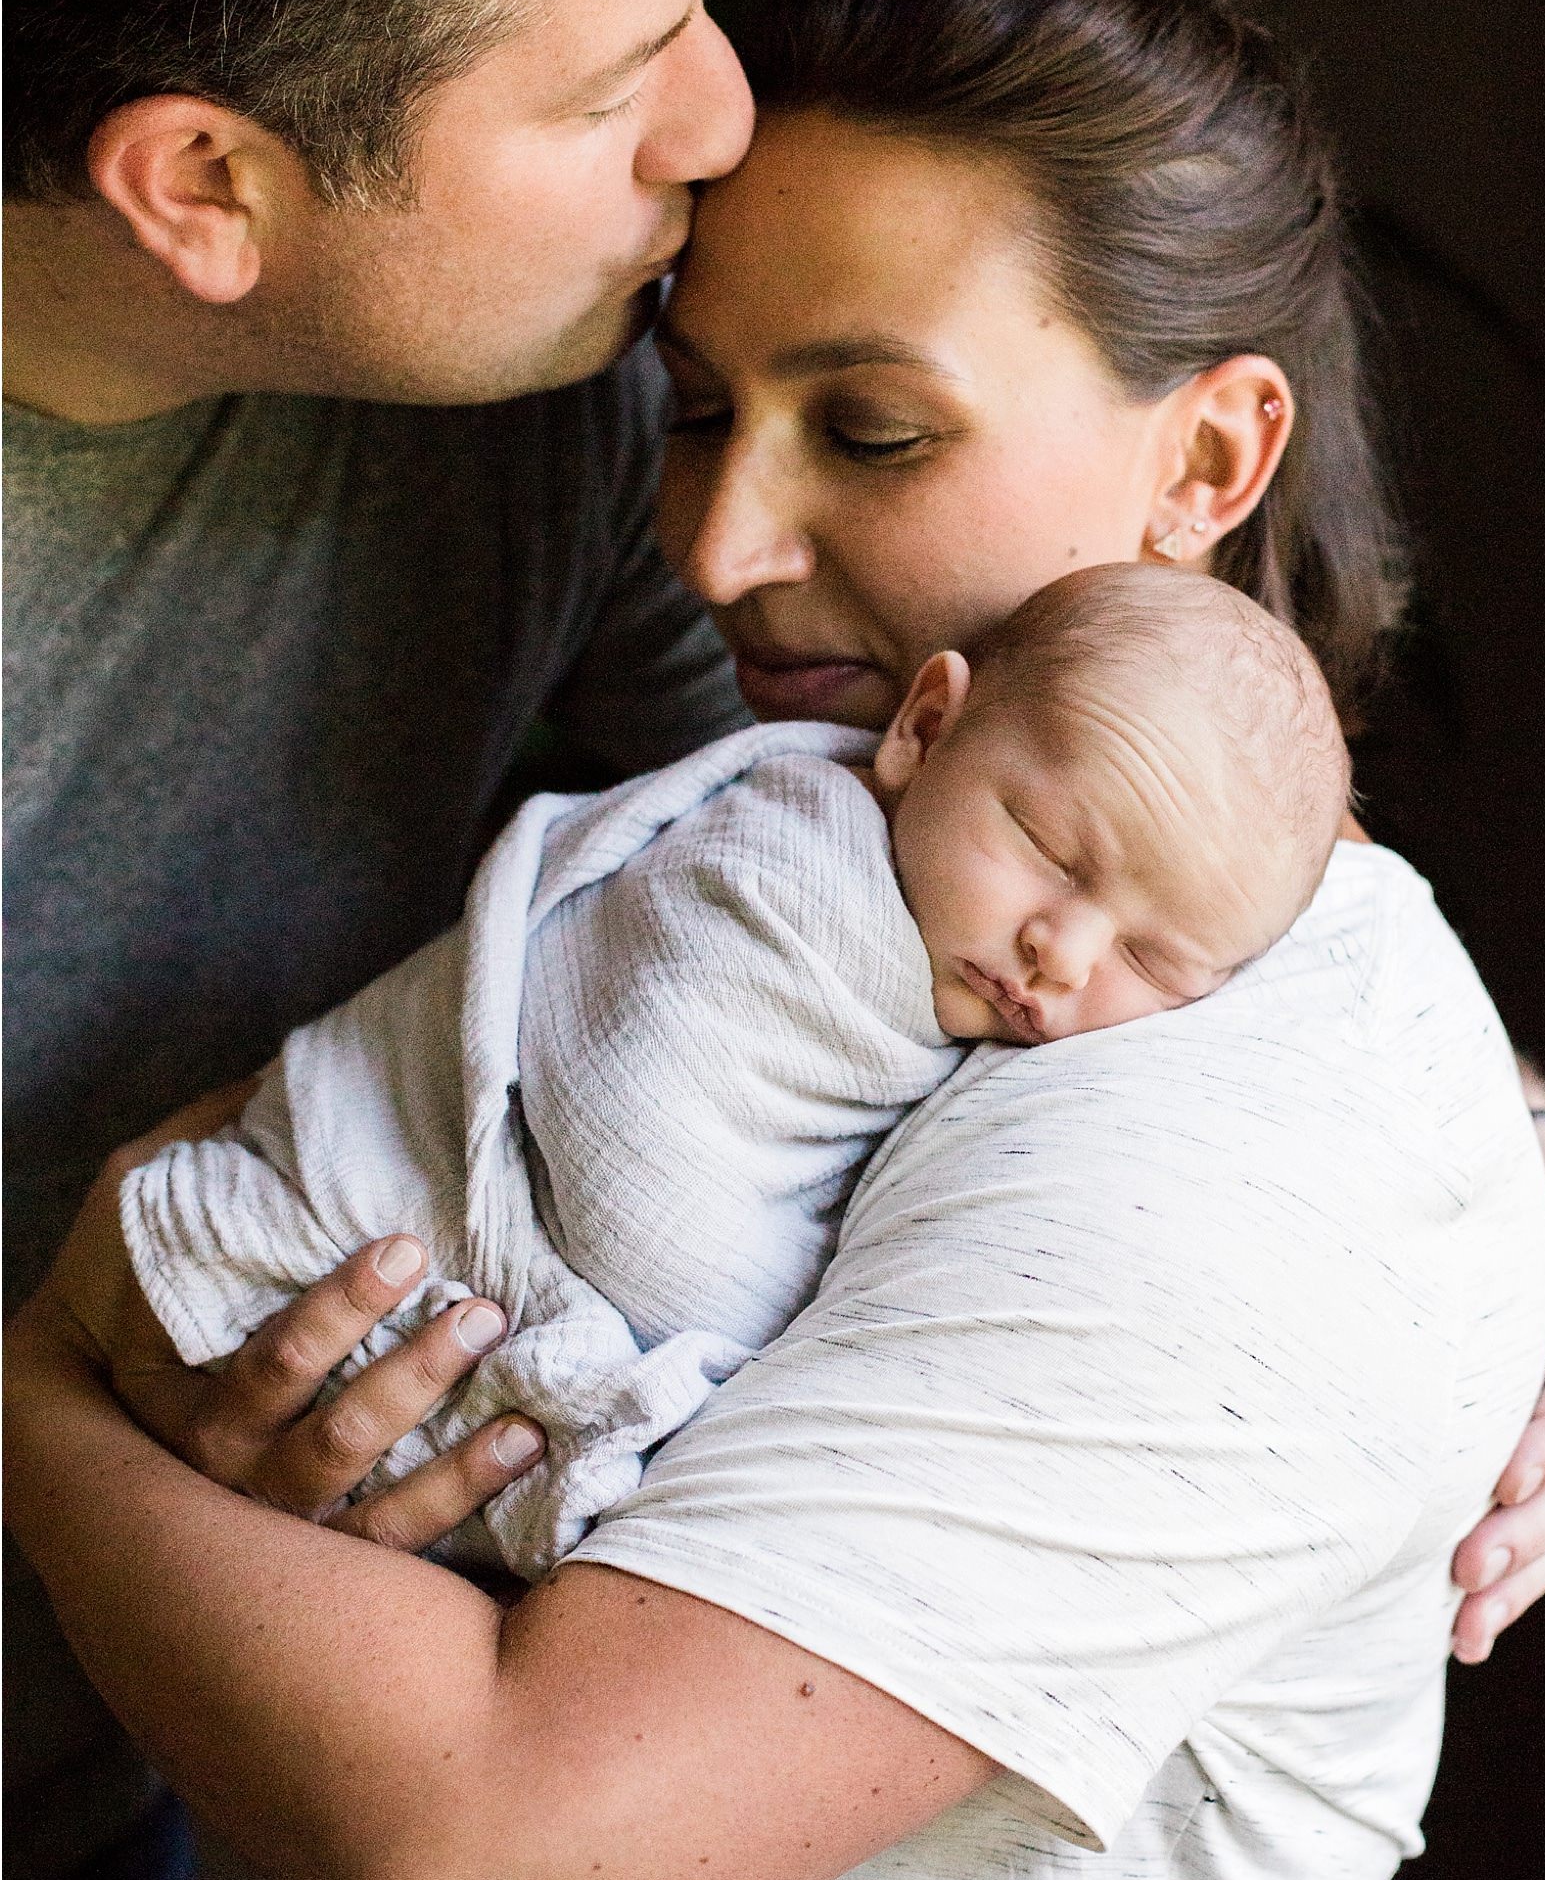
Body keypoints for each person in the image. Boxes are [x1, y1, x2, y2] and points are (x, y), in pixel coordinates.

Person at [3, 0, 1545, 1880]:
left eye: (706, 3)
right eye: (624, 74)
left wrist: (1493, 1133)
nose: (716, 123)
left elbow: (883, 837)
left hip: (70, 1815)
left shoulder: (562, 414)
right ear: (205, 185)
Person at [116, 563, 1349, 1577]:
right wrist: (775, 1369)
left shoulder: (1149, 1063)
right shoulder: (790, 876)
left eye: (1152, 957)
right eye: (1039, 843)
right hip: (346, 1206)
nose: (1064, 951)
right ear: (923, 730)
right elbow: (636, 1164)